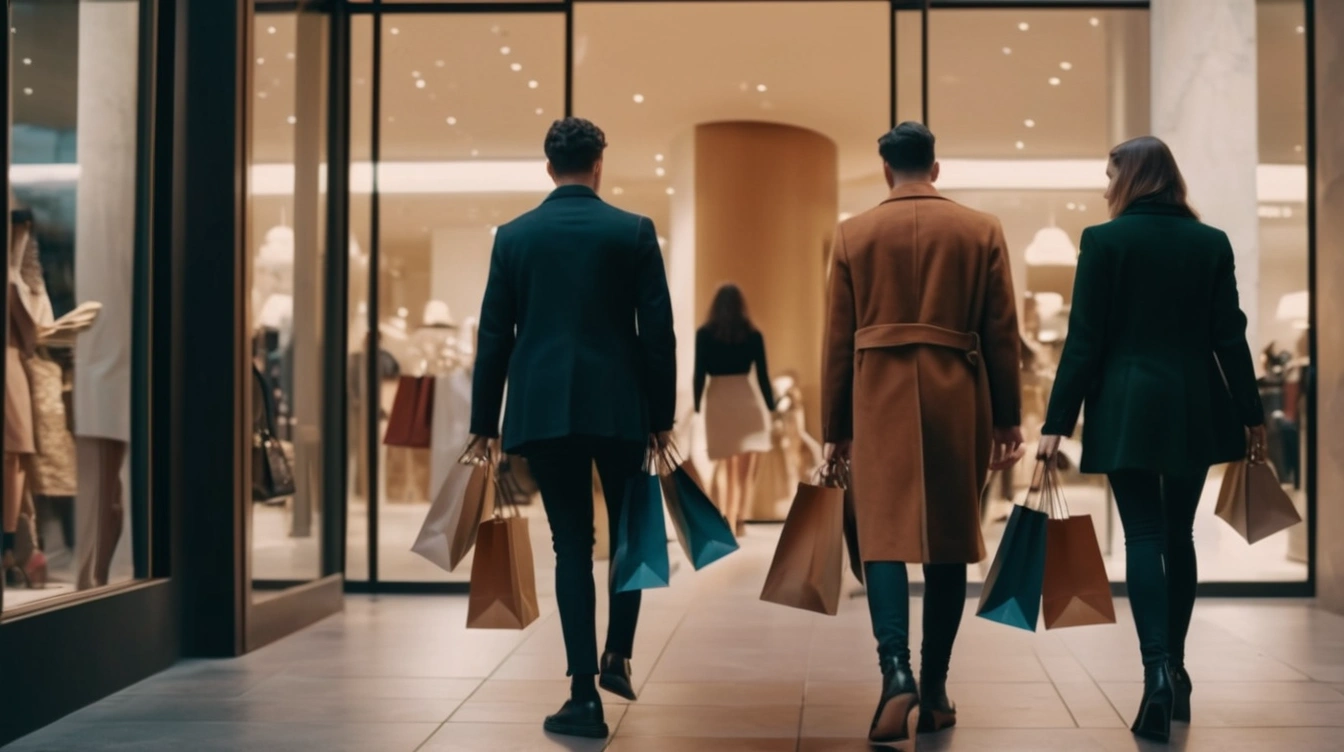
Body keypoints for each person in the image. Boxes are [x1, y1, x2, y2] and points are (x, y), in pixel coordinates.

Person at [1038, 136, 1266, 744]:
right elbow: (1229, 337)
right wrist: (1252, 412)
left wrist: (1055, 423)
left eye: (1109, 172)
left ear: (1132, 176)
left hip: (1127, 404)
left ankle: (1155, 672)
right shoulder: (1210, 242)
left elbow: (1083, 341)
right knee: (1178, 534)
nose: (1104, 185)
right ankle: (1180, 670)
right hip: (1194, 404)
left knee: (1140, 534)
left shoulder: (1103, 241)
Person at [466, 117, 676, 740]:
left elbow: (493, 336)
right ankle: (618, 653)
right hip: (620, 410)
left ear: (549, 167)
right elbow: (656, 334)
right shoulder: (633, 231)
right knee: (631, 534)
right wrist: (660, 418)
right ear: (599, 164)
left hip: (545, 410)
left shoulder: (514, 238)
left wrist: (485, 423)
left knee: (571, 548)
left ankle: (583, 693)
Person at [822, 122, 1025, 748]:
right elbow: (1000, 331)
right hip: (956, 395)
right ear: (935, 168)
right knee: (946, 540)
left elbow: (835, 339)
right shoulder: (981, 229)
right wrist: (1008, 418)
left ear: (887, 171)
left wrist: (834, 429)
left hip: (876, 394)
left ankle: (895, 671)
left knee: (881, 536)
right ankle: (934, 691)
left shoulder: (854, 233)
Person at [693, 283, 775, 536]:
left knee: (724, 465)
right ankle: (739, 519)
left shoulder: (704, 334)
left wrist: (698, 405)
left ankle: (727, 518)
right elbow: (762, 376)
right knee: (743, 471)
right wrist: (771, 406)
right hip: (745, 400)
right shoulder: (753, 335)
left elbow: (699, 374)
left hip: (718, 400)